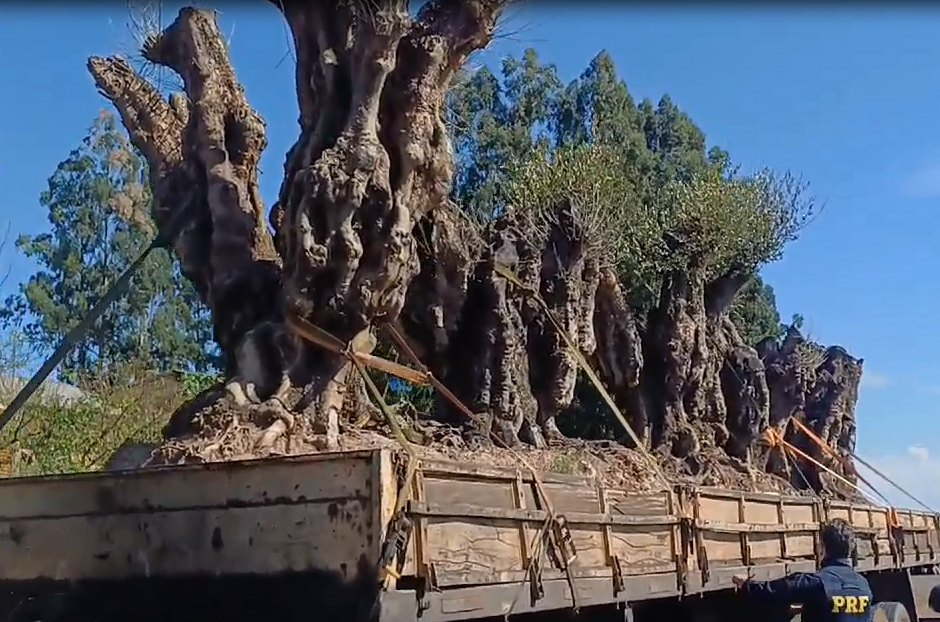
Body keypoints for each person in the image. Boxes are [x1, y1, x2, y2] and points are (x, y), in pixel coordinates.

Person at [732, 518, 873, 622]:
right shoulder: (864, 586)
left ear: (823, 548)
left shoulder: (817, 582)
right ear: (850, 550)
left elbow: (776, 590)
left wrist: (746, 585)